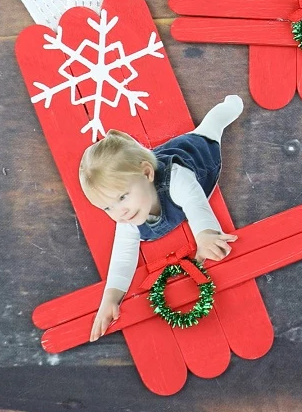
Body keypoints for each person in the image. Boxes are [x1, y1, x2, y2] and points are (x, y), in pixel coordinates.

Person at [78, 94, 244, 341]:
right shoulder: (128, 216)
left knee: (209, 129)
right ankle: (141, 157)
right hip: (146, 169)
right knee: (134, 165)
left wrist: (206, 234)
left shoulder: (177, 179)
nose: (118, 212)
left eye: (122, 197)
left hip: (197, 157)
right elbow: (123, 256)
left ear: (146, 174)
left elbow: (195, 204)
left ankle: (228, 107)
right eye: (107, 208)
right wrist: (111, 298)